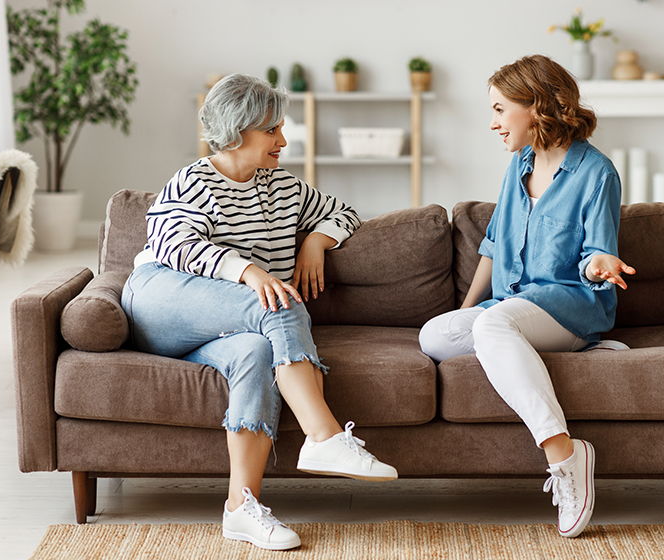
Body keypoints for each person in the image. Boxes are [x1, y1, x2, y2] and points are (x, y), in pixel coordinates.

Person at [121, 73, 397, 551]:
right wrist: (248, 271)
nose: (283, 140)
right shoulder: (194, 181)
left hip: (231, 324)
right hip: (161, 301)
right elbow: (174, 243)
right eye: (272, 130)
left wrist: (315, 240)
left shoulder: (284, 188)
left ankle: (240, 508)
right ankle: (324, 435)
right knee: (277, 301)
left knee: (255, 353)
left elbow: (346, 212)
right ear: (235, 129)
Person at [419, 55, 635, 538]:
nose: (492, 123)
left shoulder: (596, 173)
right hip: (514, 307)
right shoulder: (520, 164)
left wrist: (601, 264)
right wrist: (467, 310)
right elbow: (494, 246)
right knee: (436, 335)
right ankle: (553, 351)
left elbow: (597, 251)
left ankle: (564, 453)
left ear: (536, 106)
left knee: (494, 327)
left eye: (500, 109)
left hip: (571, 304)